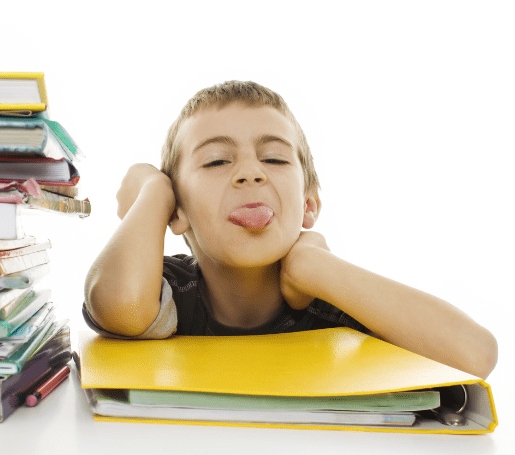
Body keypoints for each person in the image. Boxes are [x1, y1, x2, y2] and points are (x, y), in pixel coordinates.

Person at [83, 81, 498, 379]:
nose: (250, 173)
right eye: (216, 161)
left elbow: (475, 355)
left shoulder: (336, 300)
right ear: (178, 211)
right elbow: (117, 303)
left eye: (275, 159)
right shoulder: (167, 290)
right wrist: (153, 193)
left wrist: (314, 265)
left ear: (308, 205)